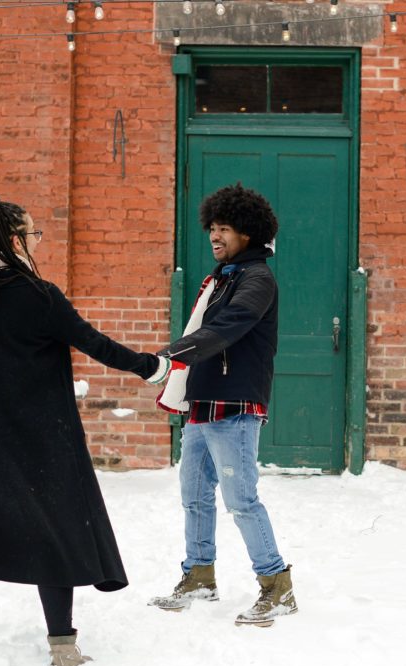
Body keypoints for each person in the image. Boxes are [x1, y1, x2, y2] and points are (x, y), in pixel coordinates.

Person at [0, 195, 170, 666]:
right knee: (56, 534)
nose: (36, 243)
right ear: (13, 240)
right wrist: (152, 367)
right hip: (45, 442)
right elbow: (96, 344)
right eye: (32, 234)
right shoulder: (39, 296)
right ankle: (63, 650)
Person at [149, 183, 297, 627]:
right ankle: (199, 577)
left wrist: (172, 354)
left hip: (235, 405)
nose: (215, 236)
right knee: (194, 496)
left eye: (225, 228)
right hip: (203, 402)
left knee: (241, 499)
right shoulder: (222, 278)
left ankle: (277, 586)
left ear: (248, 233)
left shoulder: (257, 279)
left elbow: (232, 325)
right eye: (212, 228)